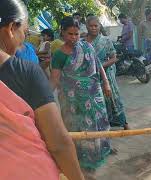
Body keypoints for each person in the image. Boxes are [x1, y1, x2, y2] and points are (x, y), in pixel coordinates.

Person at [0, 0, 84, 179]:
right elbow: (58, 144)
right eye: (24, 32)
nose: (23, 40)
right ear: (10, 29)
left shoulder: (85, 48)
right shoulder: (27, 72)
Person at [50, 16, 112, 179]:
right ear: (62, 33)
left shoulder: (87, 46)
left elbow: (98, 66)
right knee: (77, 130)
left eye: (77, 34)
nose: (74, 38)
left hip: (93, 97)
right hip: (73, 103)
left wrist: (106, 83)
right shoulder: (58, 55)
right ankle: (81, 164)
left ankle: (97, 156)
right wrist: (46, 99)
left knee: (96, 127)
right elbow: (55, 79)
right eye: (70, 34)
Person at [85, 15, 130, 130]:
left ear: (99, 26)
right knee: (97, 102)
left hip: (107, 76)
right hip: (91, 77)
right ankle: (103, 126)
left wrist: (99, 66)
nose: (93, 28)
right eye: (91, 26)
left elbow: (114, 58)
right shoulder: (83, 42)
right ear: (87, 27)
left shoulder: (106, 41)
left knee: (113, 99)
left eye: (96, 26)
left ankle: (124, 123)